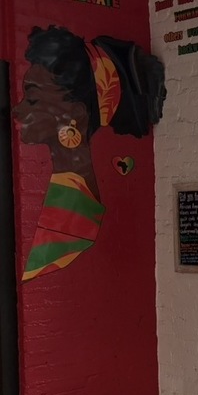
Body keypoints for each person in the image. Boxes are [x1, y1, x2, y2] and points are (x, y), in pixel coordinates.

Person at [14, 25, 166, 281]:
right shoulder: (65, 200)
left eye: (32, 99)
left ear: (75, 114)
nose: (17, 110)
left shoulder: (73, 226)